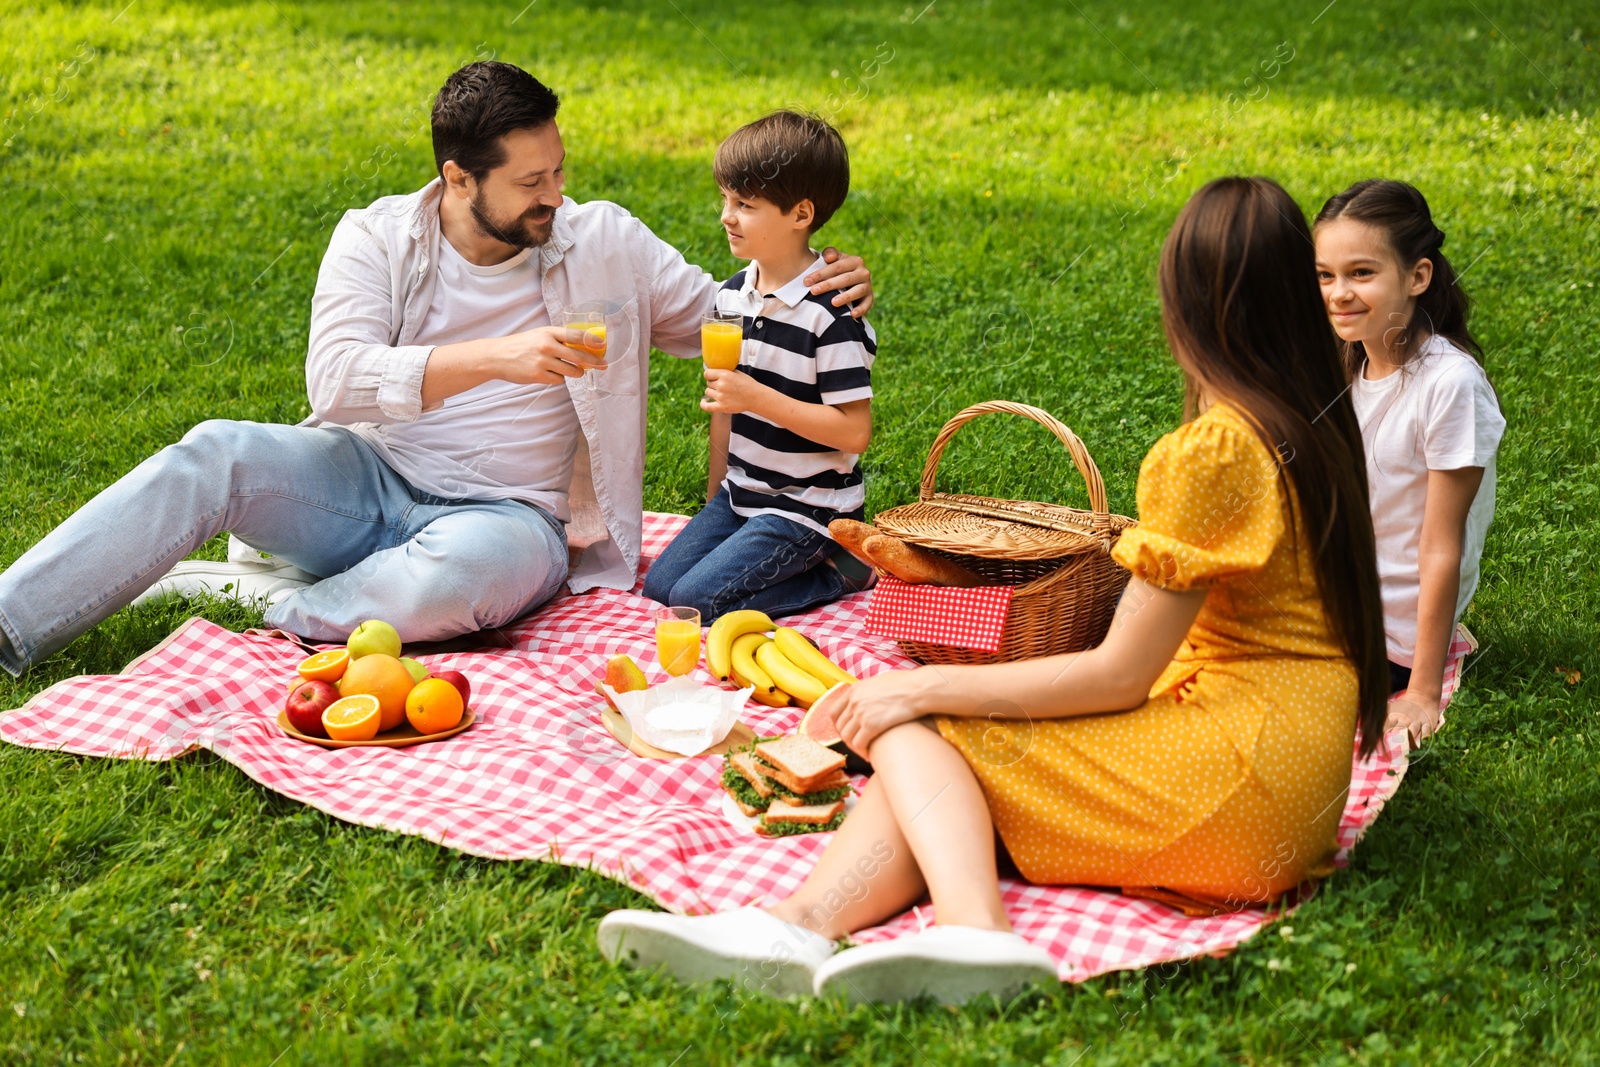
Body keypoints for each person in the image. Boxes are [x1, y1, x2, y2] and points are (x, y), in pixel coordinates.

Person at [596, 176, 1389, 1006]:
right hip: (1300, 774)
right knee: (935, 774)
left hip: (1240, 785)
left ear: (1185, 304)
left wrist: (916, 683)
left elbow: (1119, 673)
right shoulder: (1311, 418)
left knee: (923, 730)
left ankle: (975, 933)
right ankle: (791, 927)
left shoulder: (1212, 451)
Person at [0, 62, 876, 676]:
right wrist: (497, 358)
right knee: (212, 453)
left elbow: (725, 320)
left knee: (473, 576)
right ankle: (11, 622)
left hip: (508, 520)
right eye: (532, 180)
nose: (555, 195)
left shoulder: (603, 240)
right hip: (369, 481)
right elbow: (334, 382)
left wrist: (814, 278)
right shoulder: (375, 236)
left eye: (559, 169)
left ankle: (285, 613)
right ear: (459, 178)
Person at [641, 111, 877, 619]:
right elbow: (724, 411)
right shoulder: (729, 299)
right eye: (726, 199)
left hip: (809, 509)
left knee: (696, 601)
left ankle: (842, 570)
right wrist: (713, 505)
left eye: (745, 204)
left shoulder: (830, 314)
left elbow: (854, 433)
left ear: (800, 214)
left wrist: (755, 397)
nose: (727, 215)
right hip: (741, 494)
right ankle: (742, 539)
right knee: (661, 587)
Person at [1314, 179, 1505, 745]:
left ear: (1418, 277)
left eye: (1361, 273)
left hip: (1387, 636)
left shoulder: (1449, 386)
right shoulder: (1351, 367)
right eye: (1326, 275)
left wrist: (1420, 692)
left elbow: (1440, 546)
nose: (1338, 293)